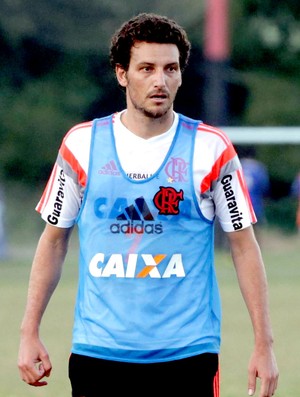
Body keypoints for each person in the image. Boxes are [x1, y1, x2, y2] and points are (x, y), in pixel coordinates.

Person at [18, 13, 279, 397]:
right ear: (122, 74)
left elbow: (243, 245)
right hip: (99, 353)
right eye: (146, 68)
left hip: (187, 356)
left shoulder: (211, 149)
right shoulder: (81, 146)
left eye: (170, 68)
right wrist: (29, 331)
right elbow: (54, 241)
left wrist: (264, 344)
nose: (160, 80)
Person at [238, 145, 271, 243]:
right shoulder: (259, 168)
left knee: (237, 232)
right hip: (255, 204)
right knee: (255, 233)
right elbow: (265, 187)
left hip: (238, 204)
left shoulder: (237, 165)